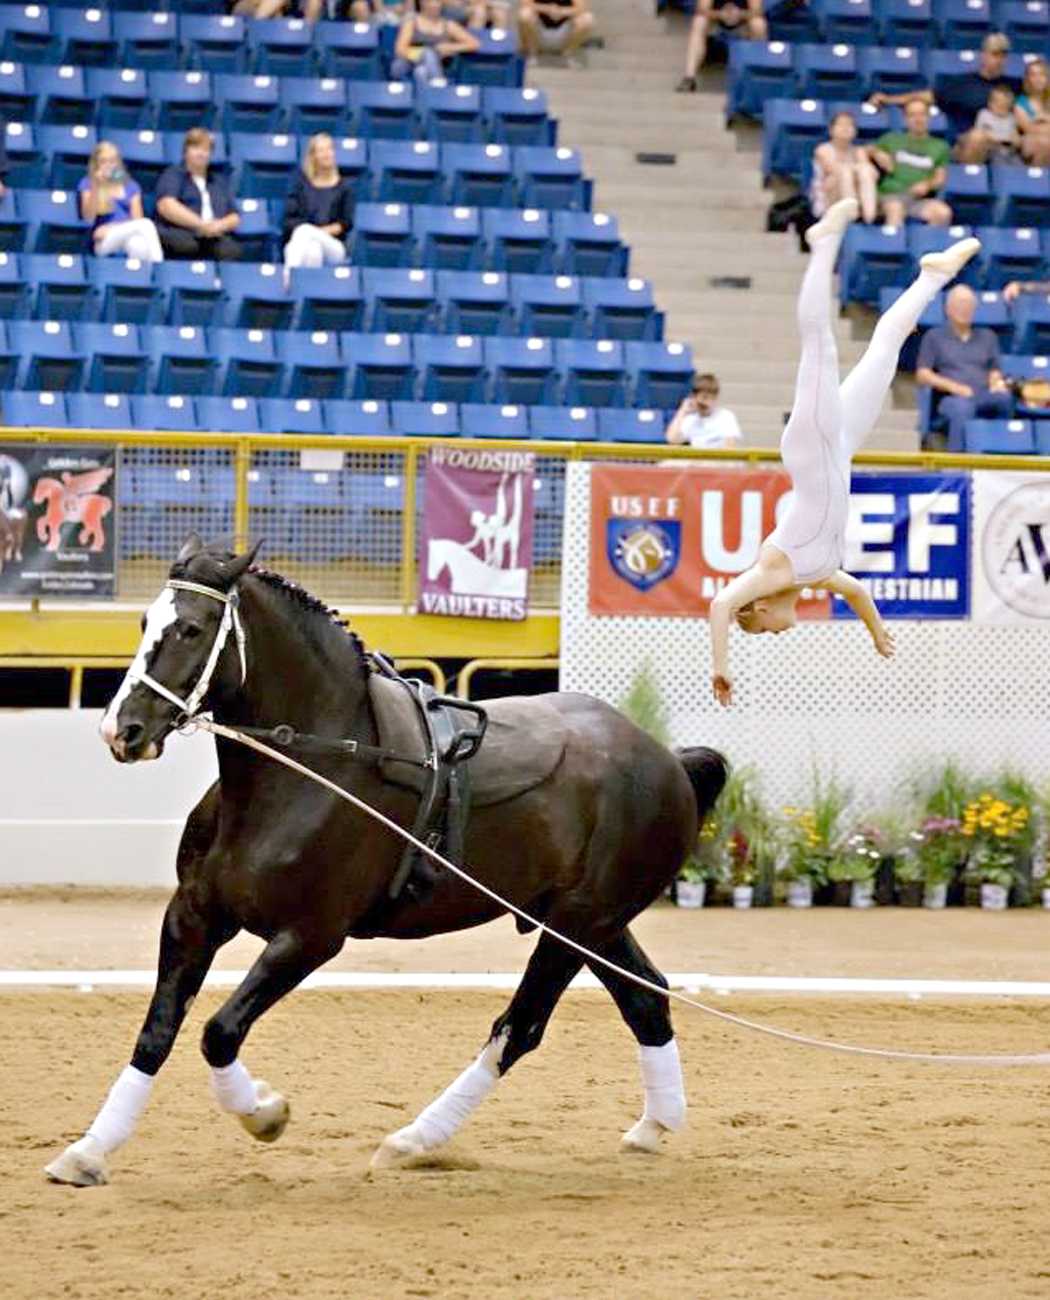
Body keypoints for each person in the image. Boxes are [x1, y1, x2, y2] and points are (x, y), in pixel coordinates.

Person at [707, 198, 980, 708]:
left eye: (766, 630)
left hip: (812, 445)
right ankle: (932, 276)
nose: (779, 633)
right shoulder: (817, 576)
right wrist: (875, 632)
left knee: (820, 347)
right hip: (842, 445)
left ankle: (823, 245)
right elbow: (857, 592)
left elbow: (721, 605)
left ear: (761, 609)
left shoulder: (773, 572)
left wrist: (720, 669)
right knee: (886, 346)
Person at [915, 284, 1011, 452]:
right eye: (960, 304)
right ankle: (956, 466)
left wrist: (996, 382)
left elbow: (994, 369)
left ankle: (1002, 457)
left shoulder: (988, 336)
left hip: (983, 394)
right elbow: (923, 374)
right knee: (962, 408)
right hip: (951, 399)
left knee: (1004, 399)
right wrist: (955, 387)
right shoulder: (934, 336)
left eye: (968, 305)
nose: (964, 309)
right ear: (948, 308)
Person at [154, 128, 242, 263]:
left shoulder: (218, 181)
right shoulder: (173, 175)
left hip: (213, 235)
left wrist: (218, 226)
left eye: (206, 150)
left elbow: (234, 216)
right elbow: (166, 205)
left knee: (231, 249)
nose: (201, 154)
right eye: (196, 148)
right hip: (182, 232)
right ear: (186, 152)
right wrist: (200, 224)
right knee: (186, 245)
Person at [869, 98, 952, 228]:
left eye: (922, 114)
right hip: (890, 196)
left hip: (917, 200)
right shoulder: (891, 139)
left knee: (942, 213)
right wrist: (876, 153)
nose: (918, 119)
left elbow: (940, 178)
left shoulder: (940, 146)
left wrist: (928, 184)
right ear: (905, 119)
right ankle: (893, 247)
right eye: (912, 115)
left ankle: (928, 246)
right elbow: (865, 149)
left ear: (928, 117)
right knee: (895, 209)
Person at [77, 141, 164, 264]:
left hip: (123, 233)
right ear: (96, 164)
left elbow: (136, 220)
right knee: (146, 224)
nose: (108, 165)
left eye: (112, 161)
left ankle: (135, 280)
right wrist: (96, 186)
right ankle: (160, 267)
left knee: (138, 245)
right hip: (103, 241)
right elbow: (88, 218)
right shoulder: (87, 183)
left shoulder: (131, 186)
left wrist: (114, 227)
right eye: (103, 161)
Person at [282, 133, 355, 276]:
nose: (327, 154)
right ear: (313, 156)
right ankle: (308, 291)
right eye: (321, 150)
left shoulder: (345, 188)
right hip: (303, 244)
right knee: (313, 250)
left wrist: (314, 233)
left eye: (329, 149)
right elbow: (289, 220)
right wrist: (310, 235)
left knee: (305, 231)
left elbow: (345, 224)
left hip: (334, 246)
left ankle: (288, 276)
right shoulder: (301, 186)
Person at [676, 0, 767, 94]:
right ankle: (689, 77)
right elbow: (701, 10)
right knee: (699, 22)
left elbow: (758, 11)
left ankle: (758, 76)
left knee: (758, 24)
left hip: (743, 16)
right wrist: (720, 14)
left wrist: (739, 14)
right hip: (716, 15)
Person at [810, 111, 878, 225]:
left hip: (856, 195)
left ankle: (869, 215)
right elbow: (834, 170)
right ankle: (851, 215)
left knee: (865, 171)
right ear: (831, 130)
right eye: (841, 124)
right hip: (828, 196)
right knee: (844, 172)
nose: (845, 128)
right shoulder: (823, 150)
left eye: (849, 125)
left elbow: (872, 174)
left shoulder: (859, 151)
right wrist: (857, 169)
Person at [391, 0, 480, 85]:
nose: (435, 5)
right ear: (422, 3)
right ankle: (439, 84)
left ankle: (430, 96)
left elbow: (474, 44)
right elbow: (400, 50)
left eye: (437, 1)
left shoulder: (448, 25)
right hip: (405, 64)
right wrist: (423, 54)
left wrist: (450, 47)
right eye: (430, 2)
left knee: (421, 72)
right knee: (427, 53)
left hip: (432, 66)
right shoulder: (412, 23)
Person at [665, 373, 743, 449]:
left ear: (715, 397)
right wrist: (682, 411)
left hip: (719, 460)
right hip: (696, 460)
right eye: (701, 397)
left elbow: (729, 447)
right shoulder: (691, 419)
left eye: (708, 397)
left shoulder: (726, 417)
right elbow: (672, 440)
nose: (705, 402)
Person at [518, 0, 595, 68]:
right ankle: (532, 55)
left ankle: (567, 55)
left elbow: (582, 8)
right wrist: (548, 9)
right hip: (538, 35)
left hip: (563, 35)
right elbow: (525, 4)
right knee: (525, 14)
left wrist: (562, 12)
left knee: (587, 19)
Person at [1015, 57, 1050, 167]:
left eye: (1041, 74)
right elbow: (1030, 129)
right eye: (1033, 75)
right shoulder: (1020, 103)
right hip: (1029, 142)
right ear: (1027, 79)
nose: (1038, 78)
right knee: (1045, 143)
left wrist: (1044, 120)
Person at [973, 83, 1021, 160]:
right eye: (997, 104)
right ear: (989, 103)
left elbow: (1014, 135)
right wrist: (1000, 140)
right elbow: (982, 133)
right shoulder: (984, 114)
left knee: (1018, 163)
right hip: (990, 151)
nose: (1001, 109)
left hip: (1009, 152)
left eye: (1005, 106)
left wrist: (1017, 140)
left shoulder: (1011, 118)